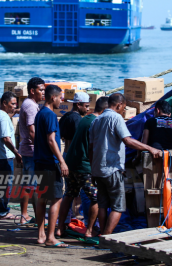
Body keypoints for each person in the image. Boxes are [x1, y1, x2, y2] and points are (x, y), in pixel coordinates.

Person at [89, 93, 161, 235]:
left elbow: (90, 148)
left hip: (98, 169)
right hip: (112, 169)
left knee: (103, 205)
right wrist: (150, 148)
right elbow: (128, 141)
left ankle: (102, 234)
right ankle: (107, 236)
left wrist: (92, 169)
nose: (123, 110)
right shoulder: (116, 118)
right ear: (119, 105)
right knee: (118, 206)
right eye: (123, 108)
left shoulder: (95, 121)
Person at [56, 97, 109, 239]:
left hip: (71, 163)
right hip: (83, 166)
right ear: (104, 110)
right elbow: (94, 147)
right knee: (96, 197)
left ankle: (60, 227)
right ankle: (90, 231)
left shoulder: (86, 118)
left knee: (69, 194)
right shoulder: (97, 122)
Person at [34, 85, 69, 247]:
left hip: (39, 162)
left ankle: (41, 235)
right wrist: (62, 161)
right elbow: (51, 140)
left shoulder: (40, 114)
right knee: (56, 199)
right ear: (52, 97)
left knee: (41, 198)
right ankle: (50, 237)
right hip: (49, 163)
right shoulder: (50, 116)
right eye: (60, 97)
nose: (61, 101)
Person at [0, 91, 23, 219]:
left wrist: (14, 112)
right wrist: (17, 153)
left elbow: (5, 117)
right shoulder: (3, 117)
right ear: (4, 103)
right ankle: (4, 212)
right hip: (4, 157)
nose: (14, 106)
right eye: (12, 104)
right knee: (5, 185)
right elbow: (6, 139)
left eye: (15, 104)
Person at [133, 100, 172, 167]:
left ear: (158, 110)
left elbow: (143, 144)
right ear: (169, 114)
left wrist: (137, 158)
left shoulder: (150, 121)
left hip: (154, 161)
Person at [19, 77, 45, 224]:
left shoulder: (30, 104)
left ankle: (29, 215)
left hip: (28, 149)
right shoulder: (30, 106)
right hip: (30, 150)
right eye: (40, 90)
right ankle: (25, 216)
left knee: (30, 185)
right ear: (32, 91)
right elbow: (31, 129)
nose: (43, 93)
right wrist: (39, 148)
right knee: (30, 185)